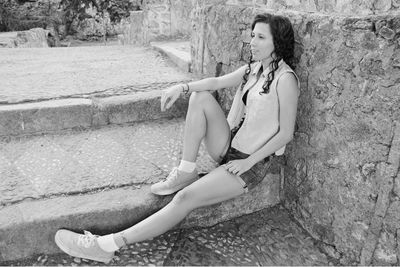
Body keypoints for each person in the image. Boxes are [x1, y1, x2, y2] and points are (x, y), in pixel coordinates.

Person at [54, 13, 300, 263]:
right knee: (200, 96)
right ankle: (186, 170)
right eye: (252, 36)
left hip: (250, 165)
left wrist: (247, 164)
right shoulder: (254, 69)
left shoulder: (285, 79)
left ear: (277, 42)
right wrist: (180, 88)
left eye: (260, 37)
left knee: (184, 198)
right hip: (230, 145)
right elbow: (215, 82)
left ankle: (105, 245)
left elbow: (286, 133)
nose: (252, 43)